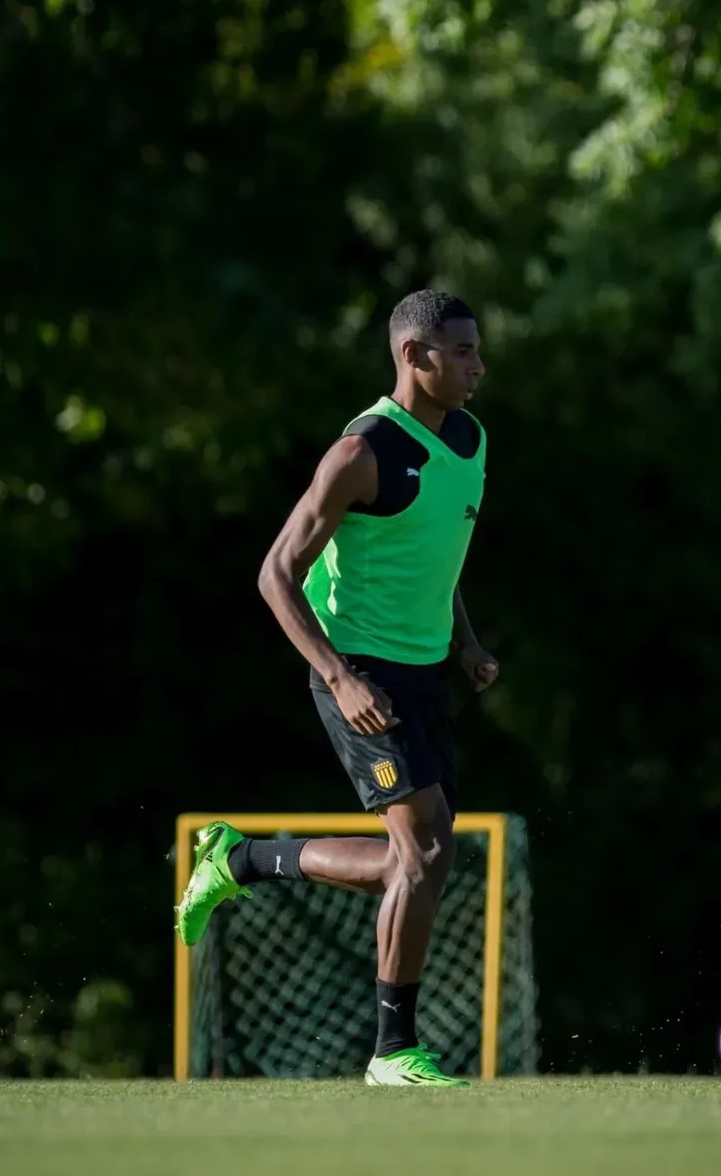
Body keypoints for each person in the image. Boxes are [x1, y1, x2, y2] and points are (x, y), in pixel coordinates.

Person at [176, 288, 497, 1087]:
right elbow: (275, 573)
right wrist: (338, 676)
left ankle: (243, 861)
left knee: (413, 863)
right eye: (462, 352)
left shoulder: (469, 437)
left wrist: (465, 641)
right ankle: (393, 1054)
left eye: (476, 350)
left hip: (424, 673)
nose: (477, 366)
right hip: (357, 668)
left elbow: (434, 551)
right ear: (414, 356)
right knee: (425, 848)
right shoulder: (362, 453)